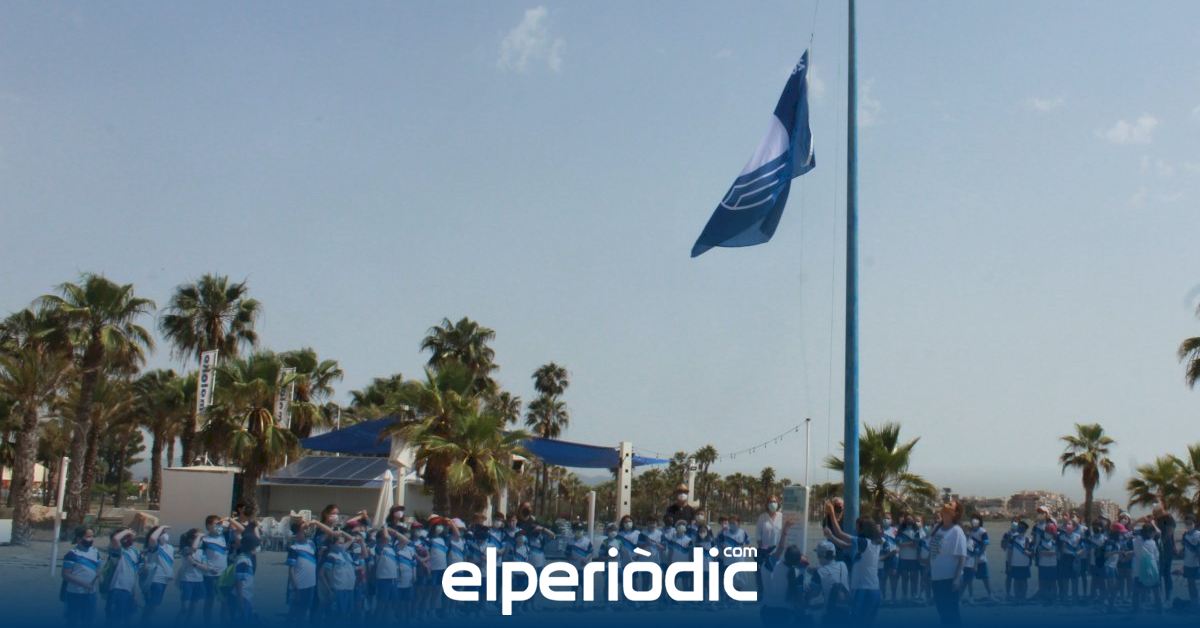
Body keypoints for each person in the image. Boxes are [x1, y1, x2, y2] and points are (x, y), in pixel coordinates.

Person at [823, 501, 882, 623]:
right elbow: (844, 546)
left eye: (857, 527)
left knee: (856, 621)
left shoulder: (863, 542)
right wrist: (831, 537)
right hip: (874, 589)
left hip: (863, 590)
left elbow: (840, 533)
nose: (856, 529)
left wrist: (832, 513)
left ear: (863, 528)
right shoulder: (872, 543)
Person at [759, 518, 806, 624]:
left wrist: (785, 530)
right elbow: (799, 598)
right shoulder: (796, 572)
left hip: (767, 611)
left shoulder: (767, 567)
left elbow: (780, 549)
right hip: (786, 612)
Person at [928, 501, 968, 625]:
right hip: (936, 577)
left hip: (950, 578)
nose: (946, 505)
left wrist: (956, 579)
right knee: (942, 612)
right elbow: (933, 553)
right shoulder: (937, 528)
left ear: (955, 513)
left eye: (950, 505)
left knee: (952, 613)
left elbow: (962, 557)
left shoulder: (956, 531)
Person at [62, 526, 100, 628]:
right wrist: (84, 584)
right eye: (88, 537)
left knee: (89, 621)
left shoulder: (95, 552)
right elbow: (65, 574)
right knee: (73, 622)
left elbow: (97, 568)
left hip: (91, 594)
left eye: (92, 536)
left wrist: (98, 574)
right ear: (79, 539)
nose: (91, 539)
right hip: (75, 594)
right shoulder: (72, 554)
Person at [285, 519, 320, 621]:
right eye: (302, 530)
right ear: (296, 533)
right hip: (299, 586)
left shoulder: (311, 544)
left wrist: (315, 523)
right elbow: (291, 570)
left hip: (311, 585)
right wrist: (295, 587)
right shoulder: (294, 548)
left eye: (305, 530)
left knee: (304, 612)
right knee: (294, 611)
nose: (305, 532)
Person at [105, 528, 141, 626]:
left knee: (127, 620)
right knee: (114, 621)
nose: (129, 539)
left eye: (129, 537)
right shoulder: (117, 551)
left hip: (129, 591)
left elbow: (134, 574)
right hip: (118, 589)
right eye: (125, 537)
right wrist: (128, 531)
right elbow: (115, 539)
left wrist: (135, 593)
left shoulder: (135, 552)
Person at [139, 525, 173, 624]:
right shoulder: (155, 547)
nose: (165, 535)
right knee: (151, 607)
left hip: (164, 580)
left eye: (165, 532)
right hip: (155, 579)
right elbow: (152, 538)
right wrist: (161, 527)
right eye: (163, 533)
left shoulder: (169, 547)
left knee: (153, 606)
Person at [1132, 519, 1162, 613]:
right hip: (1152, 570)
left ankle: (1136, 610)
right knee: (1156, 591)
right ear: (1150, 533)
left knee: (1137, 592)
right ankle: (1159, 609)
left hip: (1138, 570)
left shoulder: (1135, 541)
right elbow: (1156, 557)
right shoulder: (1152, 543)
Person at [756, 496, 785, 592]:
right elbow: (758, 536)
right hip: (766, 554)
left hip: (779, 553)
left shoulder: (782, 516)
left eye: (775, 501)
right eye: (771, 501)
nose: (773, 503)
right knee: (765, 579)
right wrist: (763, 551)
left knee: (778, 579)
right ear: (767, 504)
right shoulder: (762, 517)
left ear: (778, 503)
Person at [230, 533, 258, 620]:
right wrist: (241, 603)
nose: (257, 549)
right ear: (251, 547)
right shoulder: (243, 561)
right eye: (256, 546)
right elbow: (239, 582)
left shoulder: (246, 559)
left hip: (246, 597)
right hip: (242, 597)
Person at [965, 516, 993, 602]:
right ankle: (971, 597)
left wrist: (978, 555)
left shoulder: (982, 531)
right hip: (970, 560)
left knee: (985, 577)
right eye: (971, 520)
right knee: (969, 579)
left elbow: (985, 544)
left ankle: (990, 595)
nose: (973, 522)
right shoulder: (969, 531)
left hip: (981, 559)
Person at [896, 515, 922, 602]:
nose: (909, 521)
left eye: (911, 519)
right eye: (907, 519)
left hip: (914, 558)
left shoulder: (916, 531)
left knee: (914, 578)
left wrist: (906, 543)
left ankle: (913, 595)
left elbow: (916, 545)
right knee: (904, 577)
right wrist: (910, 543)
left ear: (913, 521)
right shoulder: (901, 531)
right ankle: (904, 596)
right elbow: (899, 544)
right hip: (903, 558)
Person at [1006, 520, 1032, 603]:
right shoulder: (1012, 539)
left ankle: (1023, 597)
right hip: (1015, 563)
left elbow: (1032, 553)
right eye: (1019, 527)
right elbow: (1009, 552)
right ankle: (1017, 596)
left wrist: (1029, 553)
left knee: (1024, 581)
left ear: (1025, 530)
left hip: (1025, 564)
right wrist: (1009, 564)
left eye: (1022, 528)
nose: (1020, 529)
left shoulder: (1028, 540)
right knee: (1016, 580)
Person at [1179, 513, 1199, 609]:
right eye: (1186, 523)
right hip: (1187, 563)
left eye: (1190, 523)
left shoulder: (1198, 534)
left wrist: (1186, 542)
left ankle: (1196, 603)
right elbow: (1185, 549)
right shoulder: (1185, 535)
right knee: (1190, 583)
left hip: (1196, 564)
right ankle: (1193, 602)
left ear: (1194, 523)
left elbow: (1196, 550)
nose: (1188, 525)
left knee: (1195, 584)